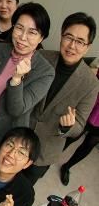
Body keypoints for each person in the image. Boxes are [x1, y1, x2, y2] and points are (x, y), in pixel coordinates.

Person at [0, 2, 55, 157]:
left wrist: (16, 80)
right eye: (19, 28)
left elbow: (16, 110)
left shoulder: (45, 72)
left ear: (41, 37)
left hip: (4, 140)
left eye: (32, 32)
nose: (22, 37)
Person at [24, 13, 99, 184]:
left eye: (80, 41)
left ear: (87, 47)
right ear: (61, 36)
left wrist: (68, 126)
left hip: (45, 150)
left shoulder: (91, 83)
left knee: (21, 191)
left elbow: (80, 125)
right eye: (68, 37)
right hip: (18, 132)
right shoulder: (41, 56)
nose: (72, 46)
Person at [60, 68, 99, 186]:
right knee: (71, 135)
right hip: (92, 103)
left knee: (89, 144)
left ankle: (67, 167)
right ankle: (47, 161)